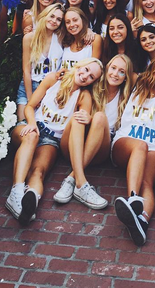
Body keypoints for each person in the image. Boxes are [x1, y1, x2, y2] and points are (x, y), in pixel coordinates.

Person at [6, 58, 104, 224]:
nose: (85, 76)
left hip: (51, 140)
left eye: (91, 77)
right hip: (32, 127)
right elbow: (30, 106)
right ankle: (16, 193)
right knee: (31, 136)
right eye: (86, 70)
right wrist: (31, 123)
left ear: (92, 82)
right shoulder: (54, 79)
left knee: (39, 171)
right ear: (80, 65)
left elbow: (81, 122)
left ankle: (31, 200)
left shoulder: (83, 96)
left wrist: (89, 118)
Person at [112, 50, 155, 246]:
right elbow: (113, 74)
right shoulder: (136, 81)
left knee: (147, 183)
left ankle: (141, 222)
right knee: (140, 146)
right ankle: (133, 199)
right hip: (126, 142)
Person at [54, 56, 134, 209]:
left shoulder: (126, 96)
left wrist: (91, 119)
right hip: (73, 146)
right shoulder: (93, 85)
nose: (115, 74)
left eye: (122, 72)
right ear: (107, 69)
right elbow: (78, 74)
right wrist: (63, 72)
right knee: (78, 117)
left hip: (99, 149)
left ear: (126, 77)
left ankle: (72, 178)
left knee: (99, 117)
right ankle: (81, 184)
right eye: (113, 68)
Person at [17, 3, 64, 120]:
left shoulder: (61, 38)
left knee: (41, 126)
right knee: (23, 123)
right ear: (45, 15)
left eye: (59, 19)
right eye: (52, 16)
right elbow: (26, 71)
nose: (54, 21)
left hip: (50, 88)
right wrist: (31, 99)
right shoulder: (29, 38)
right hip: (30, 86)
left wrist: (89, 31)